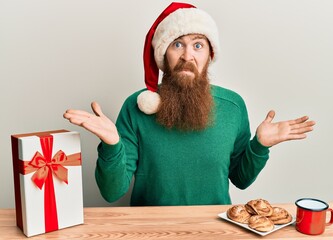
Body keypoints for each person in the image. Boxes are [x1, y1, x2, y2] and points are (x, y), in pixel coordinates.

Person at [63, 2, 315, 206]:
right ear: (163, 54)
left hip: (215, 230)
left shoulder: (233, 107)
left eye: (197, 45)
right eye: (177, 44)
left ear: (209, 54)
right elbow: (112, 192)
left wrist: (259, 145)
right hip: (151, 231)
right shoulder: (135, 107)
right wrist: (111, 145)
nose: (187, 55)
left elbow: (240, 179)